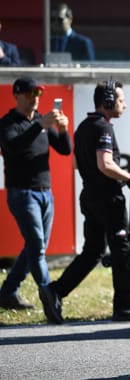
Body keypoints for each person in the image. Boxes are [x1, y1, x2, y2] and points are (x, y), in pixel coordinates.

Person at [46, 79, 130, 324]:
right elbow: (105, 164)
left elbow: (76, 164)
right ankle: (123, 305)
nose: (124, 105)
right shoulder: (104, 128)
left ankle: (55, 290)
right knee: (122, 251)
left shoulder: (83, 126)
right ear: (108, 101)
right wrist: (129, 177)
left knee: (93, 251)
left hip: (90, 196)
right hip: (108, 199)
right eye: (120, 100)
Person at [0, 77, 71, 314]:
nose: (35, 98)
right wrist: (40, 125)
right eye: (30, 93)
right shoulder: (8, 123)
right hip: (22, 193)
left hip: (45, 192)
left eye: (38, 94)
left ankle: (7, 292)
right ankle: (49, 297)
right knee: (37, 246)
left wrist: (62, 129)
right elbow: (13, 147)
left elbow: (65, 149)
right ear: (17, 95)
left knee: (34, 246)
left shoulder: (41, 121)